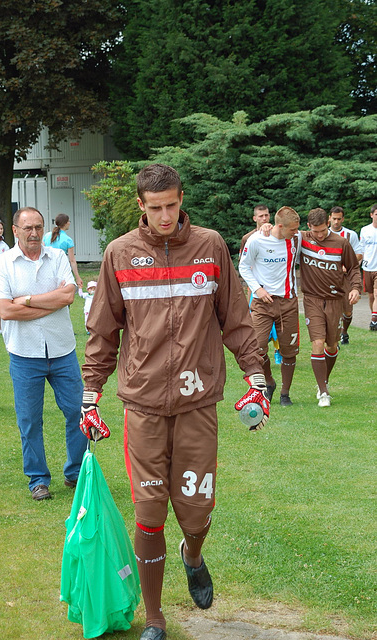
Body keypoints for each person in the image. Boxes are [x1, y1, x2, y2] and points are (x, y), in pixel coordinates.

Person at [79, 164, 268, 640]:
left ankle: (193, 554)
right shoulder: (120, 253)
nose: (165, 216)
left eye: (172, 205)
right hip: (142, 405)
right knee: (149, 513)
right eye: (155, 207)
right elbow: (104, 330)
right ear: (141, 205)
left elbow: (238, 320)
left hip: (197, 402)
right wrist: (90, 394)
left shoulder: (210, 247)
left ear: (182, 198)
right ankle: (156, 617)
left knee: (197, 511)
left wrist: (257, 378)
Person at [0, 207, 87, 500]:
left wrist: (27, 301)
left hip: (62, 350)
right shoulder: (4, 264)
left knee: (76, 412)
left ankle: (75, 472)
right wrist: (51, 302)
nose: (34, 233)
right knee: (30, 420)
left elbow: (68, 296)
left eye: (38, 227)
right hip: (24, 354)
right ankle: (38, 479)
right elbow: (5, 310)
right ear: (15, 231)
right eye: (28, 228)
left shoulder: (56, 257)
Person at [239, 206, 301, 406]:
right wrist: (257, 289)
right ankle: (269, 382)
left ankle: (285, 393)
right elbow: (243, 266)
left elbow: (317, 233)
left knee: (288, 351)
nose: (295, 232)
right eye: (292, 229)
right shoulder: (257, 239)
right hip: (263, 302)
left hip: (288, 303)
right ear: (280, 226)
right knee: (258, 347)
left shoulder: (297, 239)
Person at [300, 208, 361, 407]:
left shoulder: (341, 242)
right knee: (317, 342)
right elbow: (279, 233)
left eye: (323, 230)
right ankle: (324, 392)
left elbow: (353, 268)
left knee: (331, 345)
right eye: (316, 231)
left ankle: (322, 381)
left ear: (328, 223)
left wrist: (356, 288)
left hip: (335, 299)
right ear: (308, 226)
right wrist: (265, 227)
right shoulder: (301, 238)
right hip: (312, 299)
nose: (319, 235)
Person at [328, 207, 363, 344]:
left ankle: (344, 332)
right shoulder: (324, 234)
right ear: (329, 218)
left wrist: (347, 262)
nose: (336, 222)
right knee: (331, 308)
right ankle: (333, 336)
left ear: (342, 219)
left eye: (339, 219)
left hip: (345, 277)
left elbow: (359, 254)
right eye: (334, 218)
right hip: (329, 277)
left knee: (347, 310)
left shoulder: (350, 235)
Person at [43, 213, 83, 288]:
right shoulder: (68, 240)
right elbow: (72, 260)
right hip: (60, 269)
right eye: (68, 221)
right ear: (65, 223)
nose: (69, 223)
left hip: (47, 269)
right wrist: (77, 277)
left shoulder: (47, 236)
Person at [359, 203, 377, 331]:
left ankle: (374, 320)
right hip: (368, 267)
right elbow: (361, 249)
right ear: (371, 215)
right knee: (371, 295)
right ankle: (374, 315)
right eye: (376, 214)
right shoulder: (365, 230)